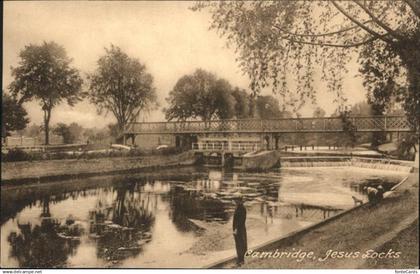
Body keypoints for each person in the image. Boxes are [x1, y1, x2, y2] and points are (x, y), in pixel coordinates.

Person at [233, 195, 247, 266]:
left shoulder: (242, 208)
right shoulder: (238, 207)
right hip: (238, 229)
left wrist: (236, 229)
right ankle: (240, 258)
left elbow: (241, 221)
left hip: (239, 229)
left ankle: (241, 260)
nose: (235, 201)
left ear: (240, 201)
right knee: (238, 243)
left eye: (236, 200)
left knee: (240, 244)